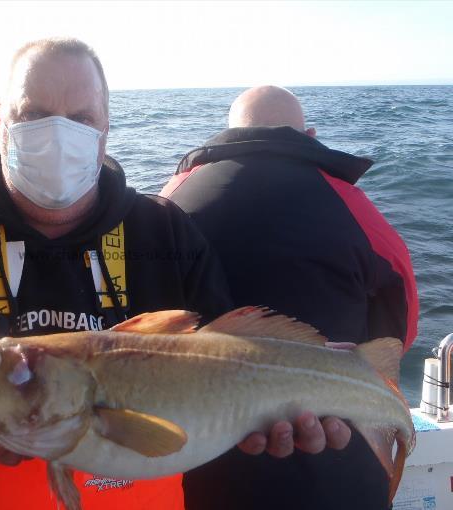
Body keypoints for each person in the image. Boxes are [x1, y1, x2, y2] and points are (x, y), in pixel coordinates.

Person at [0, 39, 349, 509]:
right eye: (33, 114)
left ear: (105, 129)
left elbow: (233, 367)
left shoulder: (166, 235)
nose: (58, 135)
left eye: (82, 119)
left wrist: (277, 423)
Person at [162, 85, 419, 510]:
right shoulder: (349, 202)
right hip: (337, 458)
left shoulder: (172, 199)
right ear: (309, 136)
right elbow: (402, 320)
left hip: (208, 460)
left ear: (231, 133)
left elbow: (142, 316)